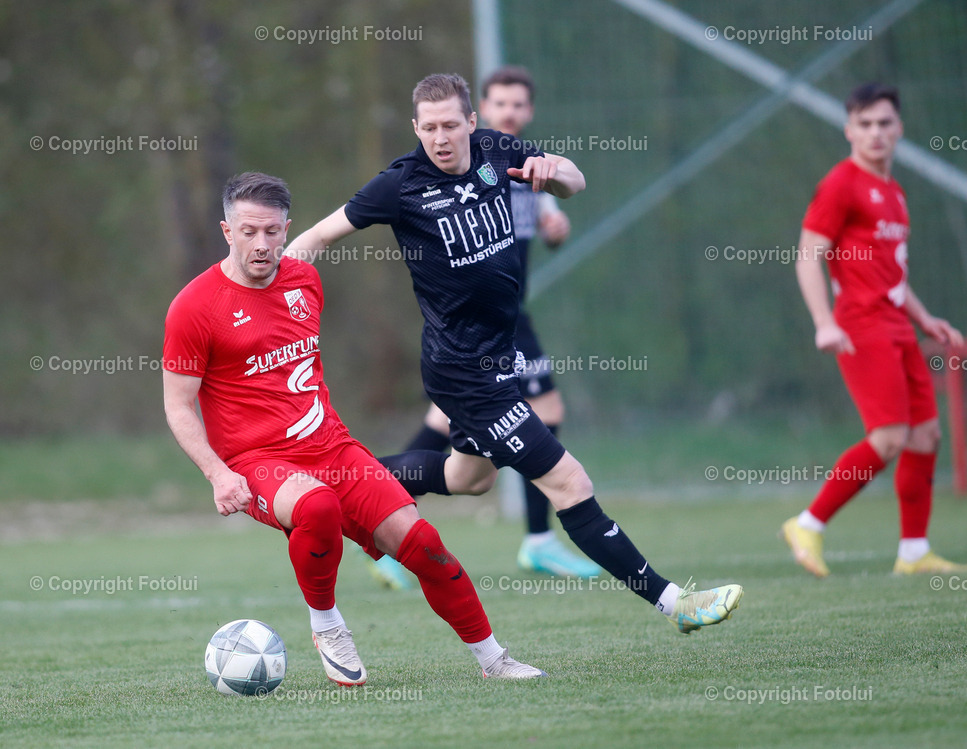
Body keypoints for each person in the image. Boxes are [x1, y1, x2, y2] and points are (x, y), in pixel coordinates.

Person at [285, 73, 743, 635]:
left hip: (498, 356)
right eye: (428, 128)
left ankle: (337, 486)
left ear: (472, 123)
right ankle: (678, 605)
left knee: (468, 477)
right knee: (569, 483)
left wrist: (557, 175)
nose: (440, 137)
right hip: (463, 372)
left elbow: (575, 181)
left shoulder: (498, 150)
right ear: (415, 129)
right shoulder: (399, 185)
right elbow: (316, 237)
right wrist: (273, 294)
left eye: (451, 124)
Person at [163, 171, 546, 685]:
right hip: (256, 464)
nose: (262, 244)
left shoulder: (304, 281)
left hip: (334, 449)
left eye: (273, 232)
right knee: (317, 506)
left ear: (287, 229)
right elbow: (179, 405)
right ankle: (327, 624)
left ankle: (494, 661)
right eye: (249, 231)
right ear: (227, 232)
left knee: (426, 545)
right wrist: (217, 474)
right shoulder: (194, 306)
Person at [400, 65, 599, 580]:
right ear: (480, 112)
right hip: (477, 324)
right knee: (542, 408)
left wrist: (555, 224)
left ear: (528, 111)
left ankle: (384, 512)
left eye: (519, 105)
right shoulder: (473, 160)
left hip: (504, 319)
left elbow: (554, 214)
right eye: (500, 104)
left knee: (453, 435)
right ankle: (536, 539)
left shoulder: (523, 163)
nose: (509, 112)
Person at [783, 83, 967, 578]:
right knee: (888, 437)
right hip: (860, 326)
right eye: (864, 124)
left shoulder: (894, 192)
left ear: (899, 128)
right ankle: (808, 524)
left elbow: (893, 277)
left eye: (884, 123)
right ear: (848, 130)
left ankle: (914, 552)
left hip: (898, 327)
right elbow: (808, 257)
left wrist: (925, 318)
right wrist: (824, 322)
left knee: (926, 435)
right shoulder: (841, 184)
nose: (875, 133)